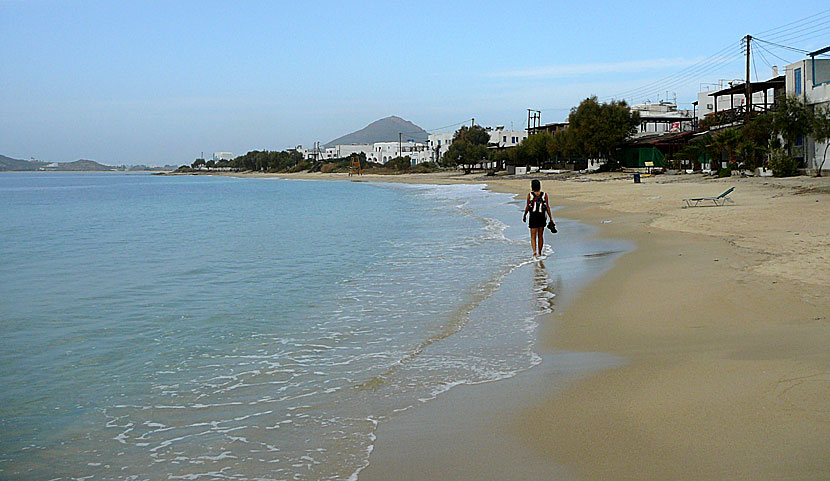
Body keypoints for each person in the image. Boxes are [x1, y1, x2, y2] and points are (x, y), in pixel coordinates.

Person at [522, 179, 553, 258]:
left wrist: (525, 215)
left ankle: (534, 252)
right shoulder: (544, 195)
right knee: (540, 236)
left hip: (533, 216)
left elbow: (527, 207)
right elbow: (547, 207)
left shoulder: (530, 195)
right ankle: (540, 252)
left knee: (533, 236)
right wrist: (551, 218)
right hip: (542, 216)